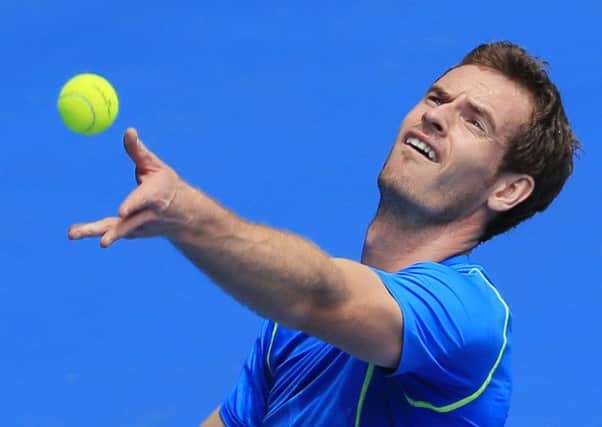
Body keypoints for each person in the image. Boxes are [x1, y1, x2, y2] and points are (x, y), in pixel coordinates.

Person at [69, 41, 579, 426]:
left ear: (508, 190)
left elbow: (319, 296)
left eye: (475, 122)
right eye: (436, 97)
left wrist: (186, 213)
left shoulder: (470, 316)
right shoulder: (289, 333)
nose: (436, 116)